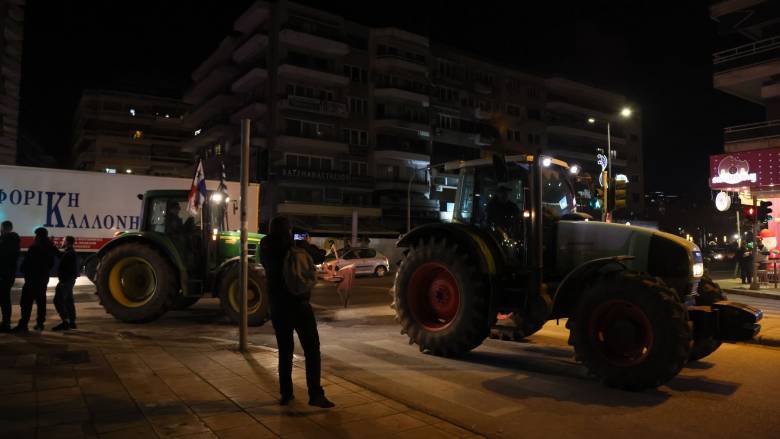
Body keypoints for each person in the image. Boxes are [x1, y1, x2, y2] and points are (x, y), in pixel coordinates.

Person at [259, 216, 334, 408]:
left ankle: (286, 393)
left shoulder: (265, 246)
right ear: (288, 229)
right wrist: (304, 242)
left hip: (277, 307)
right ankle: (315, 394)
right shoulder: (295, 245)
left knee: (285, 352)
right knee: (312, 349)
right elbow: (320, 256)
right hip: (299, 306)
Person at [13, 227, 58, 332]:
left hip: (32, 279)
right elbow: (52, 263)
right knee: (41, 301)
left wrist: (23, 269)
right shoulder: (49, 247)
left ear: (38, 236)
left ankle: (23, 324)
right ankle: (40, 323)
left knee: (26, 302)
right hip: (43, 278)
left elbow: (27, 263)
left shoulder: (34, 248)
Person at [53, 236, 78, 331]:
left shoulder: (69, 253)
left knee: (58, 300)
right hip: (69, 280)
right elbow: (60, 256)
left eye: (63, 240)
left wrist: (63, 280)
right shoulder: (70, 252)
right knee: (68, 300)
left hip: (65, 281)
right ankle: (72, 322)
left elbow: (65, 267)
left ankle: (65, 321)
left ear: (67, 242)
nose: (62, 242)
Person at [0, 221, 21, 332]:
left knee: (4, 300)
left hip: (3, 274)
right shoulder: (13, 240)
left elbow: (3, 257)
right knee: (5, 299)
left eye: (1, 228)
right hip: (8, 274)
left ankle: (6, 324)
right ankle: (5, 322)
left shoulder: (6, 241)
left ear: (5, 228)